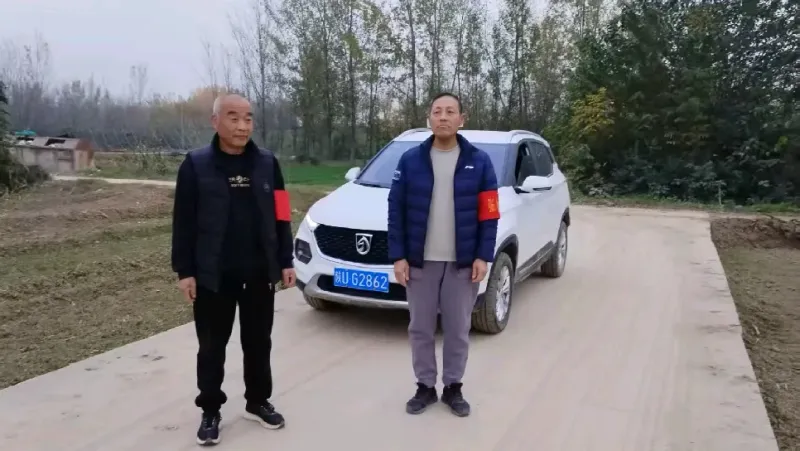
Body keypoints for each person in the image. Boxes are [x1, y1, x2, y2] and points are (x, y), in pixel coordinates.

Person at [171, 94, 296, 446]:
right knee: (212, 347)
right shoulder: (196, 165)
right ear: (215, 122)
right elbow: (183, 222)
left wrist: (285, 260)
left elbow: (282, 213)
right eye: (233, 117)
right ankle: (210, 409)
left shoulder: (268, 163)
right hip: (213, 276)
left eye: (248, 118)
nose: (242, 126)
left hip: (259, 273)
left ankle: (257, 401)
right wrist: (185, 271)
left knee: (258, 343)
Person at [387, 92, 500, 417]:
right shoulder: (411, 160)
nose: (443, 117)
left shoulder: (479, 161)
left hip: (462, 264)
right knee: (420, 328)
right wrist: (399, 256)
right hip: (420, 262)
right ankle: (425, 386)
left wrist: (483, 255)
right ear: (429, 118)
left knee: (458, 329)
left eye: (450, 111)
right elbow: (395, 209)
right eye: (437, 111)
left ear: (462, 119)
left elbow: (490, 212)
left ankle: (453, 387)